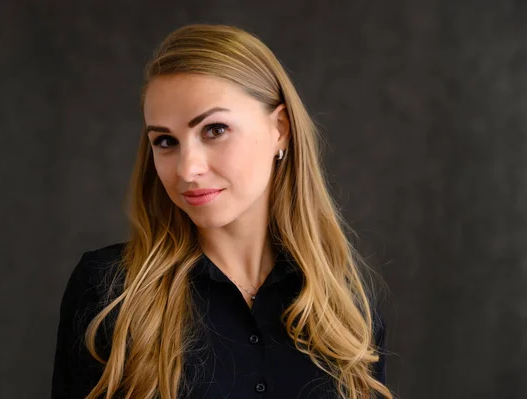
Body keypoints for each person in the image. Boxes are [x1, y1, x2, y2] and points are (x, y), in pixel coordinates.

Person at [51, 23, 393, 399]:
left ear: (279, 128)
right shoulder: (109, 291)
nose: (186, 169)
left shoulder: (344, 305)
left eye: (214, 130)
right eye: (165, 141)